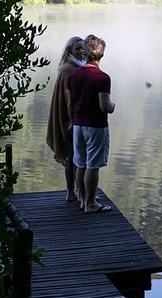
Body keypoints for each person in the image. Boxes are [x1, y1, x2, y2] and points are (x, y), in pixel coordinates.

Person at [68, 35, 116, 214]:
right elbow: (105, 106)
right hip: (95, 126)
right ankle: (90, 204)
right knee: (92, 165)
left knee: (80, 163)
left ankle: (82, 200)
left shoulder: (74, 75)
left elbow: (72, 102)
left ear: (87, 53)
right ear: (101, 54)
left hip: (78, 124)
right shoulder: (102, 77)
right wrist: (112, 107)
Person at [46, 36, 86, 202]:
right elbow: (70, 99)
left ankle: (77, 190)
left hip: (73, 119)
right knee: (73, 157)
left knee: (76, 157)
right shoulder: (69, 69)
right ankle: (72, 192)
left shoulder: (74, 67)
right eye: (77, 48)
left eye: (83, 48)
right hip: (69, 121)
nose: (81, 51)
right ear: (69, 50)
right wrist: (72, 122)